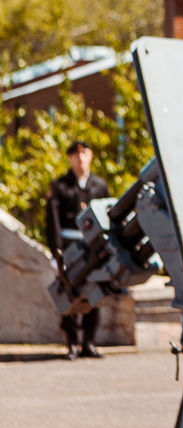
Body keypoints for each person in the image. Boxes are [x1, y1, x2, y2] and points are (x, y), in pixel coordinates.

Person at [46, 139, 110, 360]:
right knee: (69, 292)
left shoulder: (99, 186)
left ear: (90, 156)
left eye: (84, 154)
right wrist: (57, 252)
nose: (80, 158)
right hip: (69, 248)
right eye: (75, 155)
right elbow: (52, 222)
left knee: (95, 292)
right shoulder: (60, 186)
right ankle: (72, 343)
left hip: (94, 249)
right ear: (69, 158)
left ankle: (89, 342)